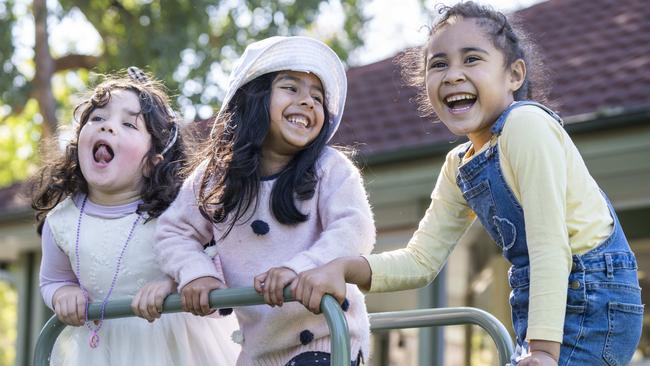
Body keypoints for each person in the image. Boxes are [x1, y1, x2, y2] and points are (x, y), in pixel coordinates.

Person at [291, 3, 644, 366]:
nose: (453, 75)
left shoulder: (526, 126)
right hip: (547, 305)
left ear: (514, 75)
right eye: (439, 64)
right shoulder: (460, 165)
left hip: (591, 299)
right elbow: (420, 261)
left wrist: (542, 351)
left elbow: (549, 244)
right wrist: (346, 267)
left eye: (472, 59)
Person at [154, 36, 374, 366]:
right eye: (291, 88)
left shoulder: (329, 169)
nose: (309, 102)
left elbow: (354, 231)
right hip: (259, 349)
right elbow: (174, 232)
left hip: (325, 338)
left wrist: (298, 270)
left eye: (317, 97)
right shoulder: (216, 177)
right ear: (255, 97)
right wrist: (197, 273)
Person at [33, 67, 240, 366]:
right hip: (106, 353)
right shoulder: (63, 221)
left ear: (153, 161)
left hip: (181, 349)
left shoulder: (176, 212)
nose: (107, 127)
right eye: (98, 118)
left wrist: (174, 283)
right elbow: (52, 279)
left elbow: (217, 264)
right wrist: (63, 293)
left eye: (129, 125)